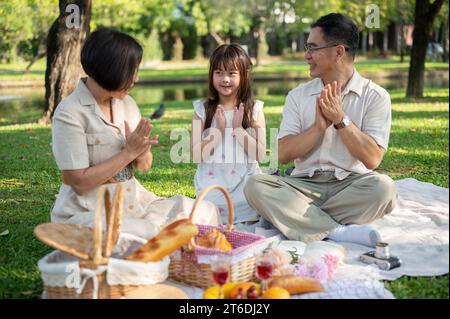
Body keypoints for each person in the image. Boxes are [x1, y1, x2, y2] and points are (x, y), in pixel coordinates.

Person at [244, 13, 397, 247]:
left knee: (384, 189)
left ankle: (297, 219)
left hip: (350, 186)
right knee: (255, 185)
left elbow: (372, 159)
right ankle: (335, 231)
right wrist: (318, 128)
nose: (306, 56)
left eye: (313, 48)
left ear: (338, 52)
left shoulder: (376, 96)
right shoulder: (298, 96)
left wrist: (340, 119)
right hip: (303, 186)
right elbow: (282, 154)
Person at [51, 28, 220, 239]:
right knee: (146, 233)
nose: (136, 79)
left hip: (136, 202)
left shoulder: (127, 104)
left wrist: (141, 152)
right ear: (111, 70)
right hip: (90, 211)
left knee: (205, 211)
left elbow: (144, 165)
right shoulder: (70, 113)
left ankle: (179, 252)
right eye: (132, 71)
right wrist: (128, 153)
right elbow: (77, 181)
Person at [191, 43, 266, 228]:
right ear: (211, 75)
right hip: (212, 182)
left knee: (249, 216)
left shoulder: (254, 110)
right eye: (219, 73)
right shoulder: (201, 110)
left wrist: (238, 129)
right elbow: (196, 155)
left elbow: (260, 154)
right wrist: (218, 132)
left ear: (244, 75)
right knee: (210, 220)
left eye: (231, 73)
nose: (225, 79)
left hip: (245, 182)